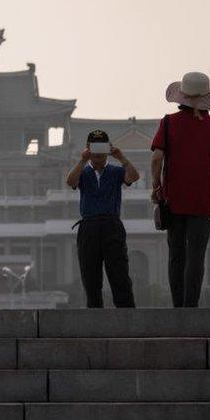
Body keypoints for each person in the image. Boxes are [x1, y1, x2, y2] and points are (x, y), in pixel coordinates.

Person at [151, 71, 210, 307]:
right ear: (207, 98)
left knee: (176, 255)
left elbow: (157, 159)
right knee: (196, 257)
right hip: (203, 202)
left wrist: (156, 187)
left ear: (181, 96)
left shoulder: (168, 123)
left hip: (173, 199)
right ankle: (191, 307)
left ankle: (178, 307)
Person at [66, 130, 139, 308]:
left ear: (108, 149)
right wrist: (82, 160)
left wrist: (120, 157)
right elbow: (71, 181)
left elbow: (134, 176)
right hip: (88, 227)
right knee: (90, 277)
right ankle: (95, 317)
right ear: (88, 148)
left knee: (119, 274)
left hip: (111, 225)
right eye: (93, 147)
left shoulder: (115, 172)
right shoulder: (83, 172)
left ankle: (127, 317)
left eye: (101, 147)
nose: (97, 152)